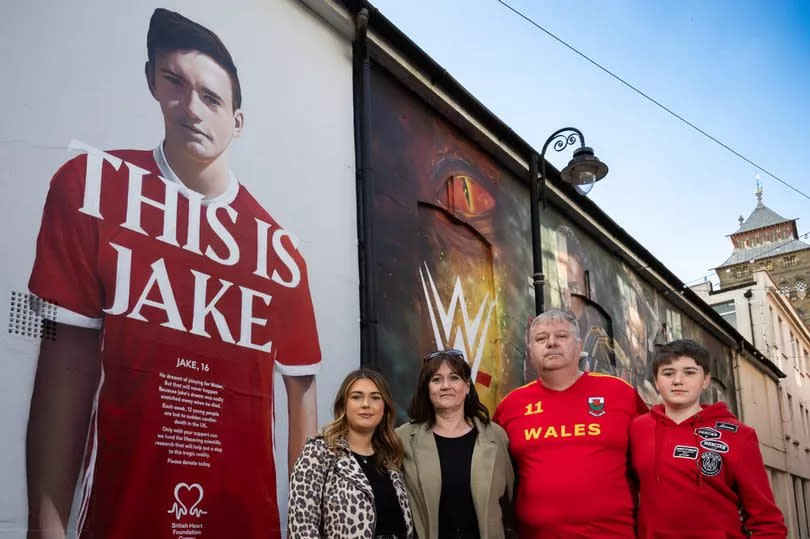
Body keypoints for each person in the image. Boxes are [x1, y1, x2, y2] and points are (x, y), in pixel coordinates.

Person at [25, 8, 320, 539]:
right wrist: (44, 527)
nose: (190, 109)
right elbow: (63, 366)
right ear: (152, 83)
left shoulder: (281, 251)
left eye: (211, 98)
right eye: (174, 83)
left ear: (237, 120)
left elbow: (302, 397)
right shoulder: (91, 187)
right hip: (123, 518)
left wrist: (298, 527)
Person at [493, 309, 648, 538]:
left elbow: (653, 463)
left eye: (561, 336)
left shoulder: (620, 393)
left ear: (578, 345)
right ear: (530, 351)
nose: (552, 343)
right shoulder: (510, 406)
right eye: (541, 338)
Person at [630, 339, 786, 538]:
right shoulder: (638, 428)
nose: (678, 380)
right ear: (656, 381)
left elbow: (767, 520)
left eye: (689, 372)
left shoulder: (738, 435)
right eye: (668, 373)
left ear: (705, 380)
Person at [396, 349, 514, 539]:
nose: (445, 386)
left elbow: (511, 503)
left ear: (467, 386)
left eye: (454, 378)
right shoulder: (402, 439)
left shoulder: (496, 436)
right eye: (436, 380)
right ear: (427, 389)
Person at [288, 368, 413, 538]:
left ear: (385, 408)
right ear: (343, 405)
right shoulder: (319, 452)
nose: (366, 404)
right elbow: (302, 528)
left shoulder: (390, 456)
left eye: (375, 397)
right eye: (356, 397)